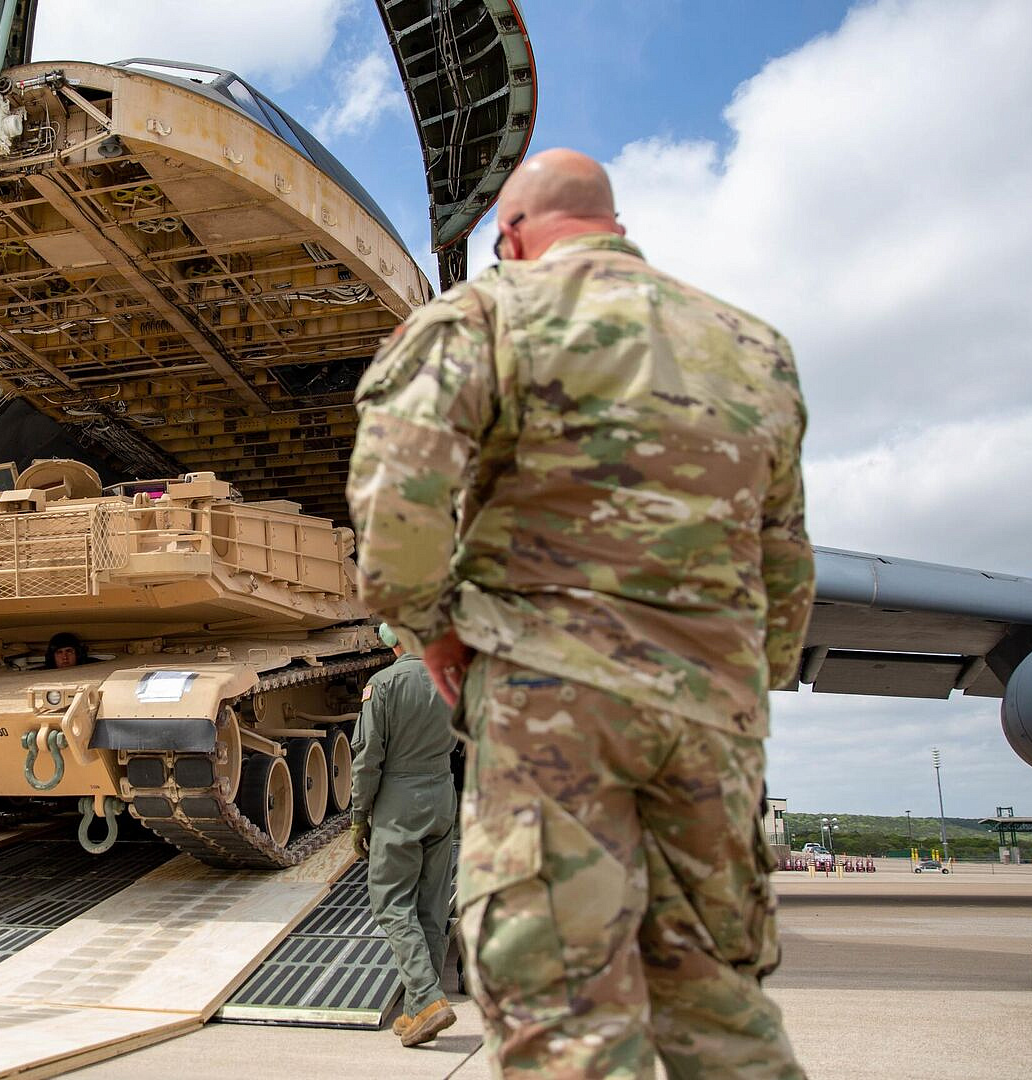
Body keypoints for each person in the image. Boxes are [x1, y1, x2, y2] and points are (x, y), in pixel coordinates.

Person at [346, 148, 815, 1078]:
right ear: (614, 226)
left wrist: (432, 633)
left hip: (554, 703)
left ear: (511, 236)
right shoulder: (753, 346)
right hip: (710, 723)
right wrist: (738, 685)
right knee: (719, 1005)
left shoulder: (489, 314)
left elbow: (397, 504)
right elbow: (786, 561)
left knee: (566, 1020)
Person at [350, 623, 460, 1047]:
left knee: (392, 902)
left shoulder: (384, 683)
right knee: (431, 906)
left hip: (400, 802)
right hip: (440, 796)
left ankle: (428, 1000)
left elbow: (367, 757)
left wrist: (360, 817)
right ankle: (419, 1010)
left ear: (393, 644)